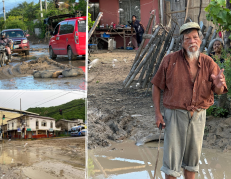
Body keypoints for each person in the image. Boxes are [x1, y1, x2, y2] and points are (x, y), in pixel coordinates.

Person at [151, 22, 228, 179]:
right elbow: (156, 86)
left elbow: (219, 90)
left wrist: (219, 85)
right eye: (187, 38)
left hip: (198, 116)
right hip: (174, 115)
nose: (192, 41)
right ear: (182, 42)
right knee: (171, 166)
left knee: (192, 163)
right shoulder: (170, 60)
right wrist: (158, 114)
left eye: (195, 37)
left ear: (200, 40)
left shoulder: (209, 63)